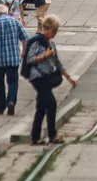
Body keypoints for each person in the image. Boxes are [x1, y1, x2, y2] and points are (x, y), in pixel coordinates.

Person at [25, 15, 78, 145]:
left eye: (56, 31)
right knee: (51, 104)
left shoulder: (51, 44)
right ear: (47, 29)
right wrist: (44, 56)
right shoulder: (37, 42)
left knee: (42, 107)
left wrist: (69, 78)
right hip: (37, 77)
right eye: (53, 30)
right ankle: (52, 135)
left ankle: (35, 137)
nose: (54, 34)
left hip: (47, 78)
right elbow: (29, 59)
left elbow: (57, 62)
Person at [0, 3, 28, 115]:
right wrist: (23, 51)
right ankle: (11, 101)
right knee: (13, 82)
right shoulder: (16, 22)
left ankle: (1, 106)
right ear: (6, 12)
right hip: (13, 59)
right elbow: (25, 38)